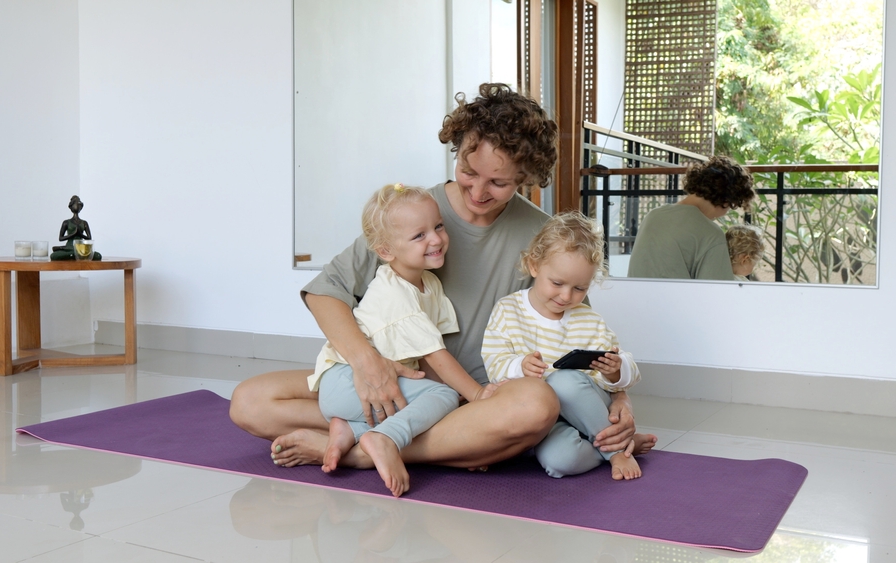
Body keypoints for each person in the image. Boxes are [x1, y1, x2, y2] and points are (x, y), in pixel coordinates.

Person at [229, 83, 639, 472]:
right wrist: (367, 363)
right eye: (468, 170)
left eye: (498, 183)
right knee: (249, 401)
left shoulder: (543, 235)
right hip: (403, 385)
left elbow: (580, 330)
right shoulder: (413, 213)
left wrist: (618, 397)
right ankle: (451, 446)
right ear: (457, 151)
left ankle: (361, 453)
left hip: (486, 397)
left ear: (526, 177)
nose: (478, 191)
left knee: (536, 405)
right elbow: (325, 293)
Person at [313, 183, 502, 497]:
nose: (436, 239)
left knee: (445, 398)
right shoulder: (394, 293)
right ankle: (384, 439)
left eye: (438, 226)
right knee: (442, 397)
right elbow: (436, 356)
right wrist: (478, 396)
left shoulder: (428, 283)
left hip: (354, 385)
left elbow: (430, 357)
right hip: (346, 381)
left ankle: (350, 429)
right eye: (420, 235)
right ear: (386, 251)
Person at [482, 211, 656, 480]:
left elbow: (625, 370)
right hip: (546, 418)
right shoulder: (508, 310)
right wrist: (519, 366)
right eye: (557, 283)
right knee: (560, 462)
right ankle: (625, 443)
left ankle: (618, 451)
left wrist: (615, 370)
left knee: (563, 382)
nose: (566, 296)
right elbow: (494, 362)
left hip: (585, 406)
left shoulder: (588, 319)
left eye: (579, 288)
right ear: (534, 265)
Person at [627, 156, 754, 280]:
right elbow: (716, 293)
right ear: (727, 200)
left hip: (633, 299)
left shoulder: (653, 215)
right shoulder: (710, 234)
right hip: (677, 301)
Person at [50, 195, 102, 261]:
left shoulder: (84, 222)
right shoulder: (66, 222)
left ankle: (73, 255)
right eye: (76, 203)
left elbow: (89, 238)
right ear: (71, 206)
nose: (77, 206)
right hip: (69, 247)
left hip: (81, 248)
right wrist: (73, 234)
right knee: (54, 256)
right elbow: (60, 238)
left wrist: (80, 234)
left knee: (98, 256)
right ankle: (75, 255)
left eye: (79, 204)